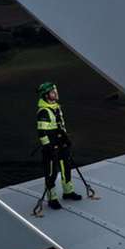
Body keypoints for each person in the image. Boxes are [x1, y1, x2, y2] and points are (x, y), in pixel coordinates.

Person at [36, 82, 81, 210]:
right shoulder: (43, 111)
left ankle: (68, 192)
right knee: (51, 173)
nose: (55, 93)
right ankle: (52, 199)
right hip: (51, 147)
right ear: (46, 95)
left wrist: (66, 140)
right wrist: (48, 147)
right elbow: (41, 132)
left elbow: (61, 126)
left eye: (55, 91)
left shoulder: (56, 107)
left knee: (66, 168)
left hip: (62, 144)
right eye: (52, 92)